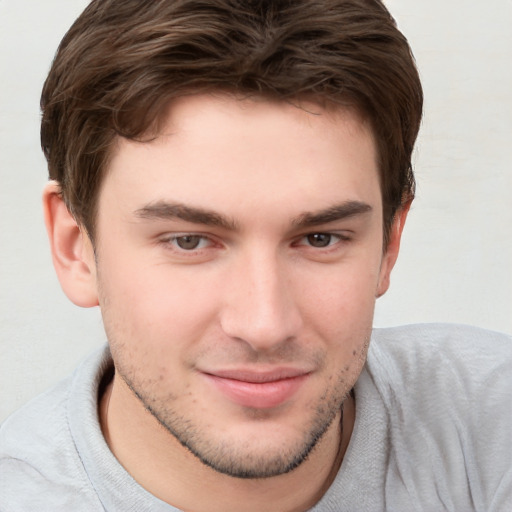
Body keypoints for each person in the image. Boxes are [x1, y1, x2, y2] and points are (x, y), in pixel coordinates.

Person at [0, 0, 510, 510]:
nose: (264, 325)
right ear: (75, 248)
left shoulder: (492, 424)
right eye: (189, 241)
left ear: (389, 242)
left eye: (320, 239)